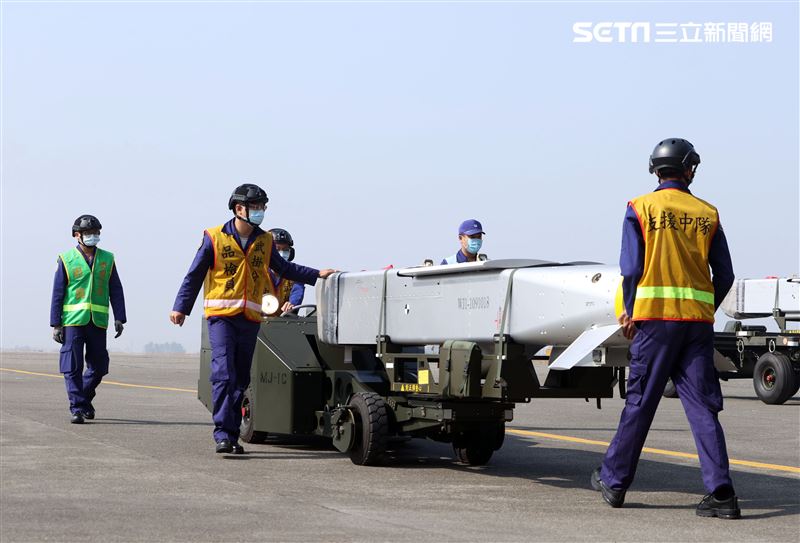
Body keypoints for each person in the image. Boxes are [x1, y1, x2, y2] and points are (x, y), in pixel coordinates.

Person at [591, 138, 739, 519]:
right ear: (689, 169)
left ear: (656, 170)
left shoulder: (640, 208)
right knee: (703, 408)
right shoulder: (708, 213)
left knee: (640, 402)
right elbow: (725, 274)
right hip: (696, 326)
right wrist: (704, 306)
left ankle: (615, 482)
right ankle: (721, 494)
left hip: (654, 324)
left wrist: (629, 311)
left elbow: (630, 269)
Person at [170, 184, 336, 455]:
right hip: (221, 317)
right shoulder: (214, 237)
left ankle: (232, 435)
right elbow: (195, 274)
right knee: (223, 374)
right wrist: (181, 308)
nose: (260, 212)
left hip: (249, 318)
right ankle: (222, 434)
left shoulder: (265, 241)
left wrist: (318, 274)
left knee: (239, 379)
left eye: (262, 207)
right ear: (239, 209)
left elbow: (285, 268)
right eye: (256, 207)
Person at [51, 215, 126, 424]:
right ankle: (77, 408)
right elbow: (58, 292)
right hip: (72, 321)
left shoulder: (107, 259)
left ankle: (83, 399)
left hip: (98, 321)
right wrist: (56, 323)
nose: (93, 236)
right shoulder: (66, 259)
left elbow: (116, 289)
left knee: (100, 366)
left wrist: (120, 317)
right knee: (72, 366)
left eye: (96, 233)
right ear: (77, 235)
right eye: (88, 233)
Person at [267, 228, 306, 315]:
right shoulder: (257, 271)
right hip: (257, 319)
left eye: (285, 250)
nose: (282, 253)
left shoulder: (295, 273)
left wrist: (292, 303)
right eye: (277, 249)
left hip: (284, 320)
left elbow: (297, 290)